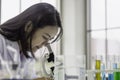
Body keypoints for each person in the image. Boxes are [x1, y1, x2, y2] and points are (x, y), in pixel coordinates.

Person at [0, 2, 63, 80]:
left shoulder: (28, 56)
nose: (45, 44)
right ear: (28, 26)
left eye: (49, 40)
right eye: (45, 37)